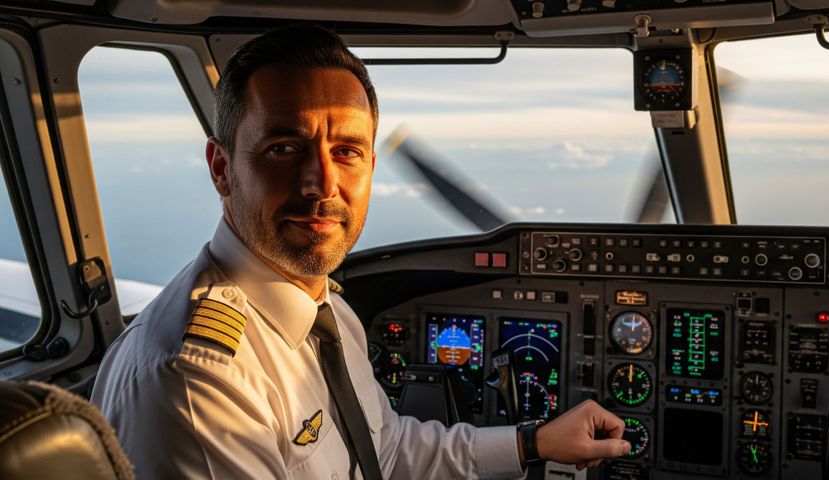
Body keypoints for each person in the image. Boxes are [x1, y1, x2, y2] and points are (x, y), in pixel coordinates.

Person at [91, 25, 631, 479]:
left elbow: (387, 450)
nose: (321, 184)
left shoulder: (324, 307)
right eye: (284, 148)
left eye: (345, 151)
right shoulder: (200, 380)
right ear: (221, 168)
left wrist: (532, 442)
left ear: (370, 166)